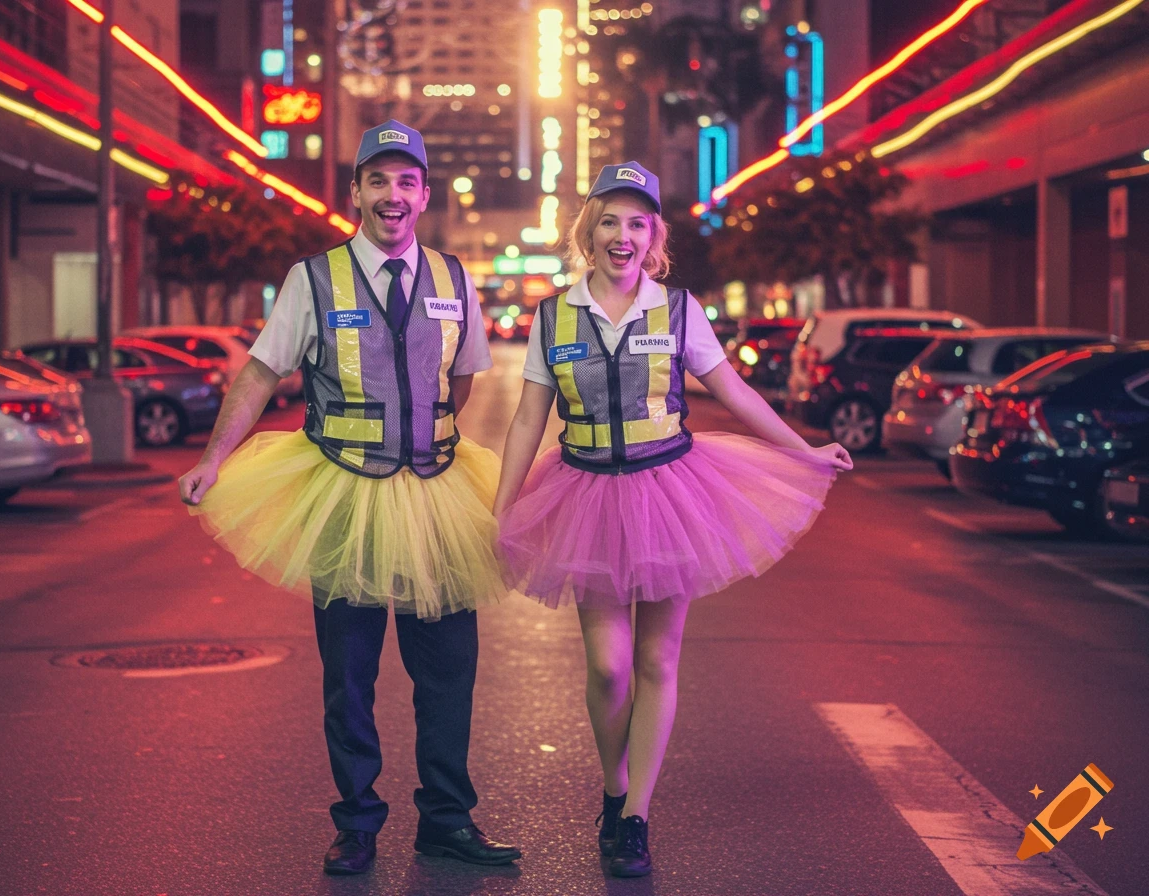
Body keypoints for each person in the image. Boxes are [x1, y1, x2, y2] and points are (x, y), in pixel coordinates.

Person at [492, 162, 851, 878]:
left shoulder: (680, 310)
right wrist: (504, 506)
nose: (622, 236)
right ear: (587, 231)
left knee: (656, 659)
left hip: (669, 491)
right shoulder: (554, 315)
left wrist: (803, 450)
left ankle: (634, 817)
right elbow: (530, 416)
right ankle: (613, 783)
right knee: (608, 665)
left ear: (652, 235)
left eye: (637, 223)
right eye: (609, 221)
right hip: (584, 494)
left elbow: (734, 391)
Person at [180, 120, 520, 875]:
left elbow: (463, 380)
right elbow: (263, 373)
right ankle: (358, 821)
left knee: (447, 671)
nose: (392, 195)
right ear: (356, 193)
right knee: (350, 676)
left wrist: (420, 432)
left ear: (423, 195)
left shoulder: (454, 277)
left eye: (406, 182)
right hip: (344, 488)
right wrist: (212, 461)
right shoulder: (313, 279)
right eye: (378, 180)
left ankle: (446, 819)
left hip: (436, 491)